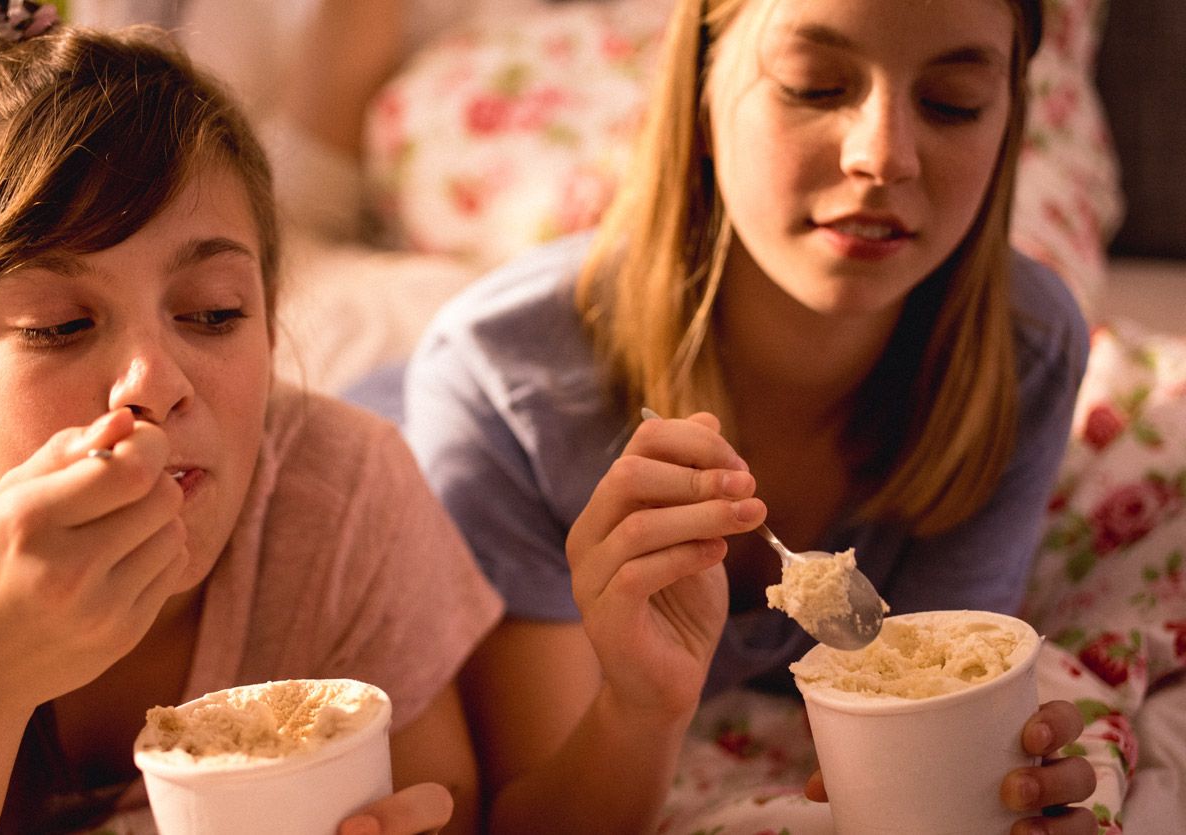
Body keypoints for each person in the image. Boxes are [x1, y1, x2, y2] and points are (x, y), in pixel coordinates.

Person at [0, 2, 502, 832]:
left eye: (214, 313)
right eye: (62, 327)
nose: (152, 382)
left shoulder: (345, 497)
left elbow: (449, 806)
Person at [404, 0, 1100, 831]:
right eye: (813, 87)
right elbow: (533, 815)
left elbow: (935, 709)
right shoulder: (495, 383)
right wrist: (643, 707)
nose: (882, 156)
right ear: (699, 90)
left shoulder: (1022, 351)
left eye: (953, 102)